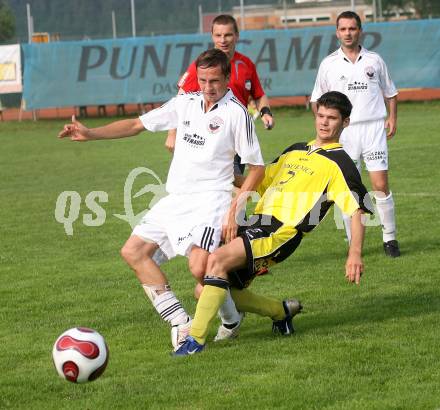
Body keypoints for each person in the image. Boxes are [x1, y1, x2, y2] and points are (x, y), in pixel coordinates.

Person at [58, 49, 265, 351]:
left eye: (215, 81)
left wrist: (235, 210)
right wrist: (90, 134)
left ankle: (231, 321)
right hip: (176, 199)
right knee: (133, 252)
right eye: (203, 80)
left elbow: (256, 168)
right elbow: (135, 125)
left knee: (200, 269)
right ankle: (181, 323)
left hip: (211, 201)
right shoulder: (186, 103)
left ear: (226, 78)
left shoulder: (236, 114)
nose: (208, 87)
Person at [174, 91, 373, 356]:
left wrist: (355, 254)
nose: (324, 122)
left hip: (282, 231)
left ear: (345, 122)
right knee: (205, 287)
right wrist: (216, 167)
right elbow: (262, 180)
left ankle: (194, 341)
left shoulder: (342, 165)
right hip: (256, 221)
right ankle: (281, 313)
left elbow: (358, 210)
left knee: (217, 262)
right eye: (321, 115)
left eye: (332, 118)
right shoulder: (296, 149)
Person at [166, 15, 275, 340]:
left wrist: (265, 111)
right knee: (229, 199)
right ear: (212, 36)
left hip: (237, 141)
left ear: (236, 36)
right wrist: (173, 133)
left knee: (236, 197)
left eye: (228, 34)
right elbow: (181, 104)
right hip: (210, 148)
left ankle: (237, 255)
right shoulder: (202, 66)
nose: (223, 39)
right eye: (218, 34)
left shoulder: (245, 65)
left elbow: (258, 96)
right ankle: (238, 258)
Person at [310, 11, 400, 258]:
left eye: (352, 28)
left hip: (373, 129)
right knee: (349, 190)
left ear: (360, 30)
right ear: (337, 32)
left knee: (380, 185)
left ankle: (390, 238)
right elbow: (316, 100)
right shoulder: (329, 63)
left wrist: (392, 118)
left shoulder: (375, 60)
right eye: (343, 29)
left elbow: (390, 92)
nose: (348, 33)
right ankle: (353, 242)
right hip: (344, 134)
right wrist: (325, 128)